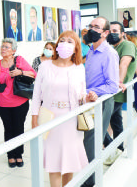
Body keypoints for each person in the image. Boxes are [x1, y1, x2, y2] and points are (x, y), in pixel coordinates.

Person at [31, 31, 95, 187]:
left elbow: (81, 95)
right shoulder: (45, 66)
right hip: (50, 119)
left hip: (71, 119)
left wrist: (88, 98)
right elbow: (36, 95)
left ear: (76, 49)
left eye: (70, 42)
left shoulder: (79, 68)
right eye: (62, 40)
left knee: (69, 163)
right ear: (57, 45)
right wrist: (34, 119)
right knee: (54, 164)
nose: (65, 44)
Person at [81, 17, 119, 187]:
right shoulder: (90, 50)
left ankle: (91, 182)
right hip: (90, 102)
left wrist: (91, 92)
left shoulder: (110, 53)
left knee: (90, 141)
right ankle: (91, 177)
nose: (91, 29)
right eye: (90, 26)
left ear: (105, 33)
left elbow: (112, 86)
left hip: (101, 103)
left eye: (96, 27)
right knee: (90, 140)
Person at [103, 21, 137, 165]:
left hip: (117, 91)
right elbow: (136, 64)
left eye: (115, 30)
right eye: (110, 30)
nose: (112, 33)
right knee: (116, 122)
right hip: (110, 91)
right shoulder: (111, 46)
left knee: (99, 124)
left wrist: (119, 82)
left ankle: (112, 150)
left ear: (122, 33)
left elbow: (125, 63)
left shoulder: (126, 45)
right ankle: (119, 148)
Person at [0, 38, 36, 168]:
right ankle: (10, 155)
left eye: (6, 47)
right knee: (8, 129)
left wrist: (20, 72)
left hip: (19, 102)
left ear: (13, 50)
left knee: (18, 128)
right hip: (2, 103)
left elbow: (33, 74)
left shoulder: (19, 60)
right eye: (2, 46)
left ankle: (19, 154)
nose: (3, 49)